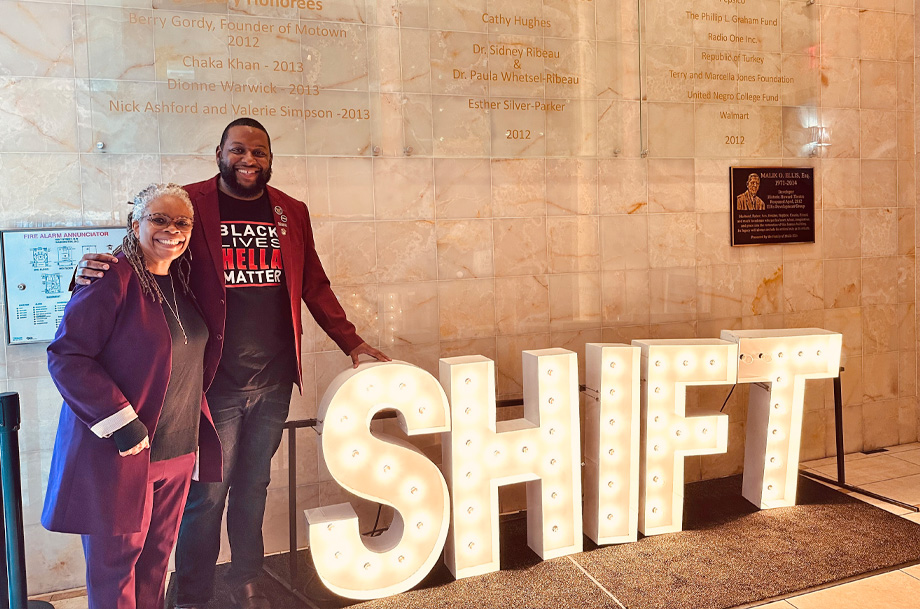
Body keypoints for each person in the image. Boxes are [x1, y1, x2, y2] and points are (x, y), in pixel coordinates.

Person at [76, 117, 390, 609]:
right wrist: (94, 269)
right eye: (238, 150)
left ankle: (246, 577)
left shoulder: (291, 211)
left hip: (273, 380)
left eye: (259, 152)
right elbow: (153, 250)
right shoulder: (193, 205)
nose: (248, 160)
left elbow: (314, 284)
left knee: (255, 485)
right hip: (213, 382)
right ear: (219, 152)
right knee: (207, 494)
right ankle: (193, 593)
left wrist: (351, 341)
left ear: (270, 159)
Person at [43, 183, 222, 609]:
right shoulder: (111, 277)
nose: (172, 230)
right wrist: (121, 423)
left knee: (157, 563)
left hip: (178, 450)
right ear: (135, 222)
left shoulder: (183, 278)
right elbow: (67, 356)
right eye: (159, 219)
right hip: (123, 453)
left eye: (182, 222)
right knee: (114, 569)